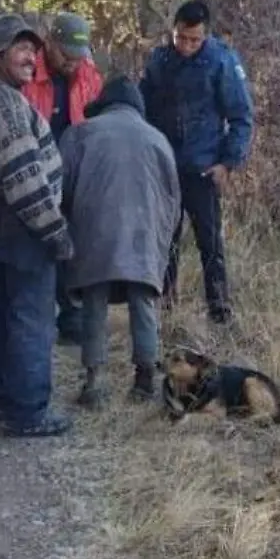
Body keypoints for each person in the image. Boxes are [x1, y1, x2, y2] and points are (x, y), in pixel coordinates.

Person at [0, 13, 74, 439]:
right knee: (31, 317)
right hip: (22, 223)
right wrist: (55, 232)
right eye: (21, 49)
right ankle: (27, 412)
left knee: (2, 310)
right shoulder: (6, 103)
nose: (31, 58)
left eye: (33, 50)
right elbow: (25, 178)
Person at [59, 76, 180, 408]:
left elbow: (60, 187)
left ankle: (94, 384)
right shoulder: (159, 140)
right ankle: (145, 378)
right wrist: (162, 242)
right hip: (144, 234)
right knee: (143, 301)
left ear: (104, 103)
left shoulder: (81, 133)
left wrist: (67, 230)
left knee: (94, 302)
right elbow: (174, 200)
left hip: (94, 231)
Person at [140, 0, 254, 325]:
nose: (187, 46)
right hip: (165, 168)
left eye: (194, 39)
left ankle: (219, 311)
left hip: (203, 169)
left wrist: (228, 163)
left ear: (205, 35)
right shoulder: (159, 61)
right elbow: (142, 106)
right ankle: (164, 307)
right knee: (165, 242)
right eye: (181, 38)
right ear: (172, 31)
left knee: (210, 244)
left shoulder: (221, 61)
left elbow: (242, 116)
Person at [21, 12, 104, 345]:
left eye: (78, 57)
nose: (72, 64)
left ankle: (72, 316)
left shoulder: (89, 75)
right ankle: (36, 314)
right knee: (40, 244)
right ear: (49, 42)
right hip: (37, 173)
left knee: (74, 244)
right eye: (65, 55)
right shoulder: (27, 72)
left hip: (76, 172)